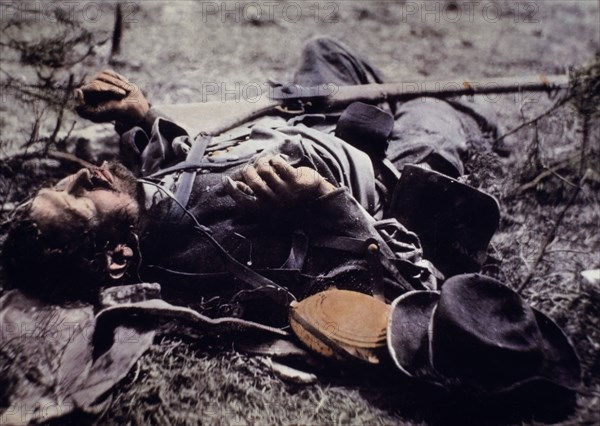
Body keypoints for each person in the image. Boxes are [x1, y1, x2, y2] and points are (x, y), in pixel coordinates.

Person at [1, 38, 580, 412]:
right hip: (382, 171)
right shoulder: (216, 249)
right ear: (119, 258)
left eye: (63, 181)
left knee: (325, 50)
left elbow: (171, 165)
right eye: (81, 196)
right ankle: (467, 122)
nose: (86, 172)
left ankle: (377, 104)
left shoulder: (148, 206)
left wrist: (143, 116)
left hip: (304, 118)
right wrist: (328, 204)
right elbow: (396, 281)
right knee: (433, 114)